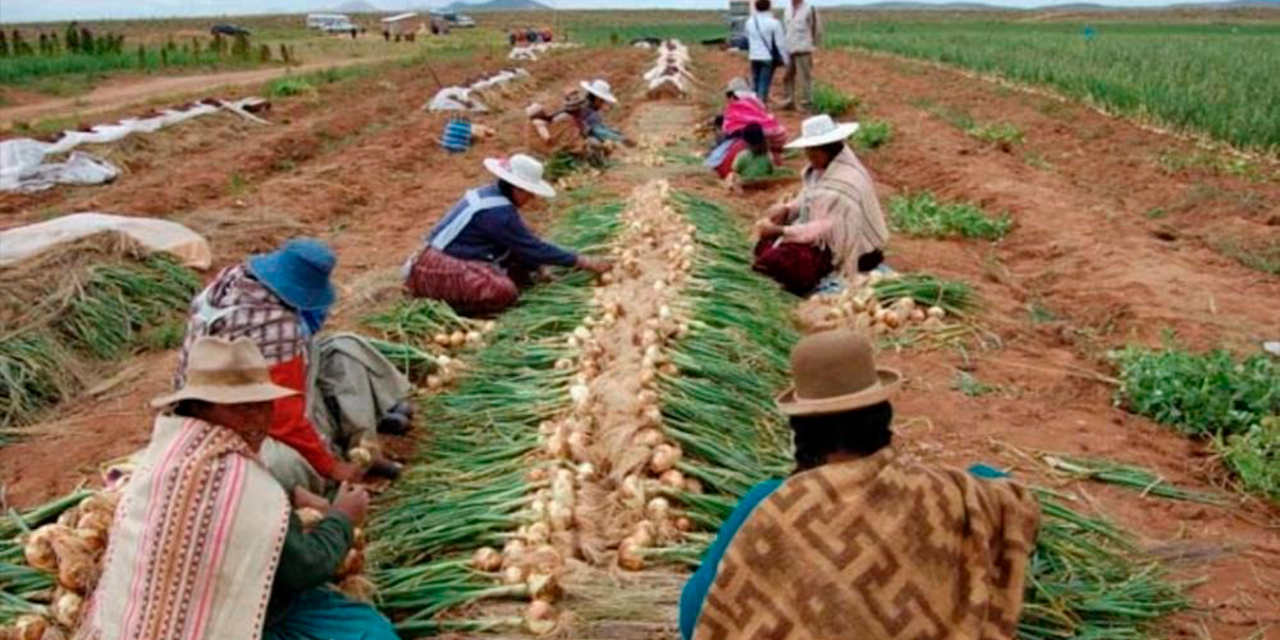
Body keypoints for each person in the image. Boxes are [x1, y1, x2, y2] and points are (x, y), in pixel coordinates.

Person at [679, 329, 1041, 640]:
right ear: (882, 416)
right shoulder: (947, 495)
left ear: (802, 430)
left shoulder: (772, 506)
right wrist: (977, 475)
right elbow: (1013, 499)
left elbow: (694, 615)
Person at [76, 336, 398, 640]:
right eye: (243, 407)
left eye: (264, 405)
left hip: (131, 627)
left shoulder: (161, 459)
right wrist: (342, 518)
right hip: (227, 626)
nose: (258, 420)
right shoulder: (241, 482)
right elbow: (306, 569)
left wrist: (285, 503)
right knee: (370, 631)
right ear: (201, 407)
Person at [176, 238, 411, 494]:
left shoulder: (232, 278)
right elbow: (283, 418)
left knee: (344, 348)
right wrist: (330, 467)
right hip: (233, 419)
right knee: (284, 465)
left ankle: (364, 447)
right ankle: (334, 469)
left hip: (215, 394)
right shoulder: (277, 325)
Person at [403, 153, 610, 314]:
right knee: (503, 292)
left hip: (451, 253)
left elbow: (522, 243)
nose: (531, 198)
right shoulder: (499, 213)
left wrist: (536, 267)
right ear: (517, 188)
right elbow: (532, 248)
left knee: (520, 263)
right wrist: (581, 260)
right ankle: (451, 305)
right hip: (434, 266)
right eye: (530, 193)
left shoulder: (490, 194)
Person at [754, 115, 890, 295]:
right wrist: (788, 209)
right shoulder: (824, 170)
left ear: (823, 150)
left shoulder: (846, 182)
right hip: (823, 239)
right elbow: (809, 198)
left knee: (776, 262)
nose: (807, 155)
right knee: (765, 247)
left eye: (810, 150)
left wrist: (781, 231)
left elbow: (825, 230)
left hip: (853, 252)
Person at [780, 0, 821, 112]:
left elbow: (816, 29)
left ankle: (806, 104)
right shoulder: (787, 9)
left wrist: (813, 46)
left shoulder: (810, 8)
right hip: (789, 48)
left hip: (803, 49)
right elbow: (785, 29)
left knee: (804, 78)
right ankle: (789, 101)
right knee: (787, 77)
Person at [745, 0, 788, 104]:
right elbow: (780, 44)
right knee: (764, 84)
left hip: (753, 56)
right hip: (767, 57)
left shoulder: (749, 22)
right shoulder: (774, 23)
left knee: (755, 83)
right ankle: (760, 108)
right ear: (769, 7)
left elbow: (747, 38)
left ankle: (753, 106)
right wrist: (786, 59)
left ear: (756, 7)